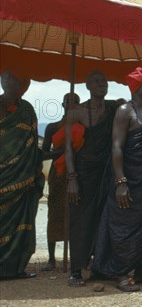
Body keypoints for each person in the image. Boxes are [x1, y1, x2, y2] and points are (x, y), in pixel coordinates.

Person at [92, 67, 142, 292]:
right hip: (130, 180)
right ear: (136, 87)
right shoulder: (125, 111)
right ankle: (121, 272)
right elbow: (117, 147)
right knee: (123, 226)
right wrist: (121, 182)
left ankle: (141, 270)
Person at [64, 71, 122, 287]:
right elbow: (68, 149)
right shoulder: (76, 112)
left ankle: (102, 265)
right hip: (84, 172)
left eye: (105, 81)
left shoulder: (114, 109)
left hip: (107, 172)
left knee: (107, 217)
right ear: (87, 86)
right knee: (81, 219)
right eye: (97, 82)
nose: (102, 84)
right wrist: (72, 178)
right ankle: (76, 269)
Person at [0, 71, 44, 280]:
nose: (6, 82)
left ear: (21, 83)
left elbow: (32, 144)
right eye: (4, 78)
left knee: (21, 222)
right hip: (3, 176)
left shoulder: (27, 110)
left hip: (23, 177)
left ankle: (15, 267)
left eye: (12, 78)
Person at [41, 93, 81, 271]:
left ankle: (78, 257)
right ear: (62, 104)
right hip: (58, 174)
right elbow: (43, 154)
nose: (71, 105)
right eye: (68, 102)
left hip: (77, 173)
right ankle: (51, 259)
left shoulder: (82, 127)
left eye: (75, 102)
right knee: (54, 212)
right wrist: (62, 152)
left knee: (76, 213)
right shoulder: (52, 127)